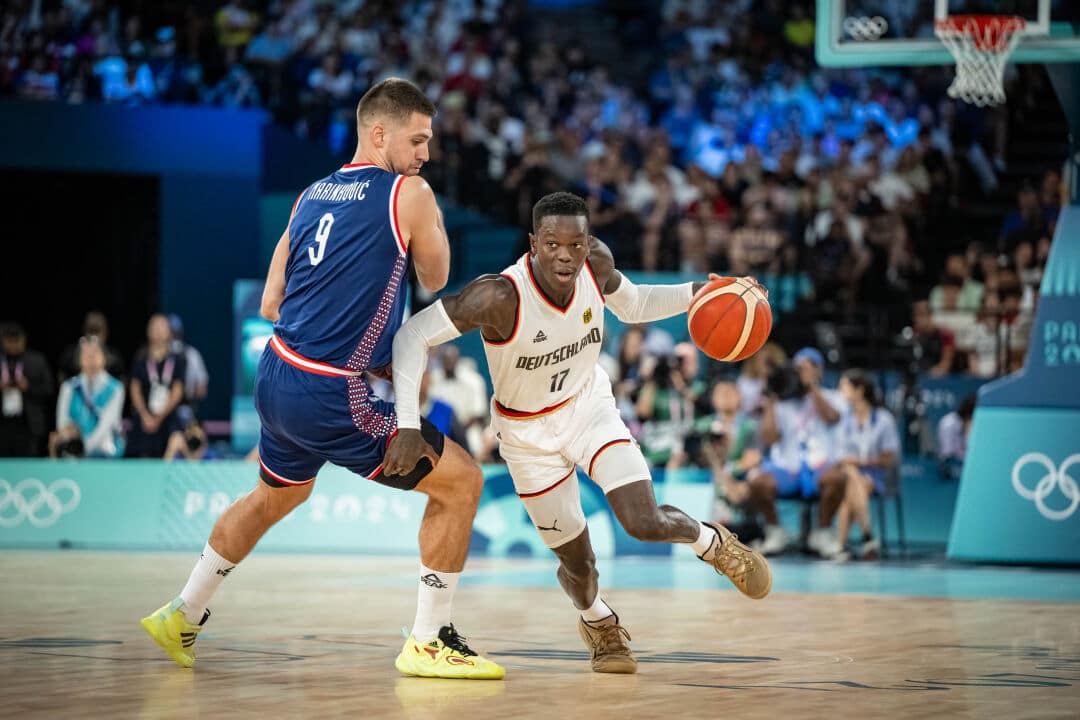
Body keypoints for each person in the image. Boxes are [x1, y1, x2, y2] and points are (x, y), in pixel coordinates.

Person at [140, 78, 504, 681]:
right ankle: (427, 641)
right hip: (329, 391)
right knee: (461, 482)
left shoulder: (310, 195)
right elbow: (437, 277)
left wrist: (343, 330)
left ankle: (183, 610)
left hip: (278, 371)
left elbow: (271, 303)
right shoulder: (407, 192)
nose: (426, 155)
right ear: (379, 133)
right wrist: (362, 342)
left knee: (278, 494)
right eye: (418, 140)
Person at [386, 192, 772, 676]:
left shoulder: (596, 263)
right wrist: (405, 424)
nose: (565, 255)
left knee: (642, 519)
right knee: (579, 565)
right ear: (533, 244)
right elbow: (411, 335)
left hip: (589, 409)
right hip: (526, 438)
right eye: (552, 244)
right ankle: (598, 620)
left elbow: (633, 305)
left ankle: (714, 545)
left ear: (588, 242)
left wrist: (701, 292)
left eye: (575, 243)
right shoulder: (499, 296)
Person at [758, 347, 847, 559]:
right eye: (797, 369)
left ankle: (823, 533)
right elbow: (769, 438)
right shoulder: (781, 402)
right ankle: (775, 532)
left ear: (819, 370)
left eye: (805, 369)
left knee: (838, 478)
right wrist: (772, 396)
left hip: (819, 465)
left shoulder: (831, 396)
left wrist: (812, 388)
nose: (800, 374)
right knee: (758, 483)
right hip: (789, 468)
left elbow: (832, 417)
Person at [832, 370, 900, 560]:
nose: (840, 391)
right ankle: (867, 535)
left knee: (850, 491)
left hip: (876, 474)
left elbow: (888, 458)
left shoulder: (884, 419)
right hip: (850, 473)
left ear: (859, 390)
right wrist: (853, 466)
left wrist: (860, 462)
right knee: (852, 477)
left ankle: (841, 546)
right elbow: (839, 456)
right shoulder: (843, 418)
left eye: (844, 386)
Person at [50, 336, 125, 458]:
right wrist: (71, 439)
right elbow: (62, 422)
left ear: (104, 357)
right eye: (86, 353)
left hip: (105, 453)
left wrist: (85, 449)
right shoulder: (69, 387)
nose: (90, 357)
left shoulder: (115, 388)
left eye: (95, 352)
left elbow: (107, 425)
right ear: (79, 359)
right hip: (73, 453)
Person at [126, 314, 187, 458]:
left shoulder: (178, 360)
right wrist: (145, 415)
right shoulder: (141, 359)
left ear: (169, 332)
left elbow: (177, 391)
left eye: (162, 327)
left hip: (168, 419)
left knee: (175, 443)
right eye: (154, 327)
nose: (158, 331)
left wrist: (159, 417)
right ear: (148, 331)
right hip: (144, 419)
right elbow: (135, 389)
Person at [0, 323, 54, 457]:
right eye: (9, 341)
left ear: (23, 339)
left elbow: (49, 390)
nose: (13, 345)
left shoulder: (36, 360)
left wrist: (28, 387)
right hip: (3, 425)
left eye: (16, 341)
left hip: (28, 425)